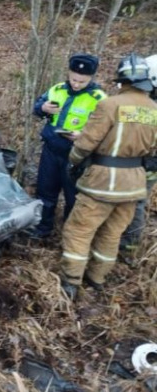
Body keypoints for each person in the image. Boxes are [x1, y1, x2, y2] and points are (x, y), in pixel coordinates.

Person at [59, 53, 157, 300]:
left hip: (103, 182)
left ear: (122, 81)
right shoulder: (154, 110)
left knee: (79, 230)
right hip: (134, 184)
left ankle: (71, 282)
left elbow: (85, 143)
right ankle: (97, 278)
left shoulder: (110, 105)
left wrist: (73, 163)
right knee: (112, 233)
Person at [29, 54, 107, 239]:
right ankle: (42, 229)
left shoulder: (99, 99)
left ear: (91, 78)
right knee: (45, 192)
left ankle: (69, 235)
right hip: (51, 150)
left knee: (73, 197)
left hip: (77, 155)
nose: (76, 84)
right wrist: (43, 108)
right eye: (73, 79)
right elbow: (37, 106)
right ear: (69, 73)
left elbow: (106, 131)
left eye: (82, 81)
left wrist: (83, 136)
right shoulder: (57, 89)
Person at [118, 53, 157, 264]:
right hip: (137, 161)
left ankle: (129, 244)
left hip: (147, 164)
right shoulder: (149, 103)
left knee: (136, 202)